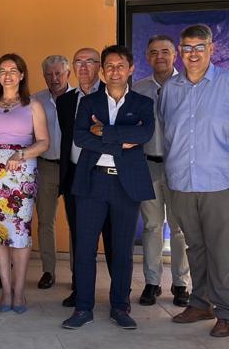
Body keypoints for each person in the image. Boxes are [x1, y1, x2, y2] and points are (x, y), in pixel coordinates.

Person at [161, 24, 229, 338]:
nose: (193, 53)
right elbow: (167, 130)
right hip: (182, 183)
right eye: (187, 48)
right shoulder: (171, 89)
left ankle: (227, 311)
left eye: (199, 47)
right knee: (196, 248)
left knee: (223, 251)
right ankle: (201, 304)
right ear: (180, 51)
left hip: (222, 184)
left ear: (211, 49)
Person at [63, 46, 155, 330]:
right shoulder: (89, 103)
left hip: (126, 184)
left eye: (120, 66)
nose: (115, 71)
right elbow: (80, 138)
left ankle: (120, 306)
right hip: (92, 181)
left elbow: (144, 133)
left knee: (122, 250)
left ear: (131, 69)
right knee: (85, 248)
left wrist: (103, 131)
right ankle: (83, 308)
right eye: (110, 66)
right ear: (102, 71)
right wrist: (121, 141)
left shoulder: (142, 103)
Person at [0, 54, 49, 314]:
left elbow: (44, 142)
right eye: (3, 70)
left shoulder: (33, 105)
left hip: (21, 176)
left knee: (20, 233)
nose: (7, 75)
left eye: (13, 70)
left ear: (22, 75)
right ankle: (6, 290)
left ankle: (19, 291)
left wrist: (21, 154)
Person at [131, 36, 189, 307]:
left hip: (179, 167)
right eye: (154, 52)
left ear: (175, 55)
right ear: (147, 57)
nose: (160, 57)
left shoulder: (188, 86)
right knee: (152, 226)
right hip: (148, 165)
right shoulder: (139, 89)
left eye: (165, 51)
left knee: (180, 229)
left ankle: (181, 284)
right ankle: (152, 282)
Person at [57, 47, 112, 308]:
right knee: (80, 237)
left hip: (107, 176)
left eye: (90, 61)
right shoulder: (65, 101)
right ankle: (80, 290)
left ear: (99, 66)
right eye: (78, 61)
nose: (83, 66)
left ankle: (118, 294)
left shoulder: (111, 95)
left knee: (112, 237)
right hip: (75, 176)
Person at [31, 55, 73, 290]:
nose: (54, 78)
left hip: (72, 167)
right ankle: (48, 270)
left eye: (58, 73)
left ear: (68, 74)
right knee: (45, 221)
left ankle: (78, 272)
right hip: (45, 166)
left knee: (76, 221)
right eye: (49, 74)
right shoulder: (35, 100)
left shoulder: (79, 98)